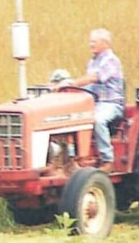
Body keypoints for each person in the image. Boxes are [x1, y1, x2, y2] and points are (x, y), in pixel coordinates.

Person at [52, 28, 125, 172]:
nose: (91, 45)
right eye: (90, 41)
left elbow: (93, 78)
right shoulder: (93, 61)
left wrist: (71, 83)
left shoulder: (110, 60)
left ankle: (107, 160)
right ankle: (70, 159)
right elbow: (89, 84)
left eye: (94, 42)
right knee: (69, 118)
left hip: (110, 103)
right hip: (93, 102)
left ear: (105, 43)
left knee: (97, 120)